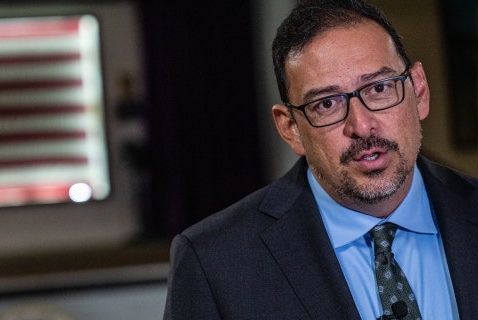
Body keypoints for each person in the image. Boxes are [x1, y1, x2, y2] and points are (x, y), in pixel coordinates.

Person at [164, 0, 478, 319]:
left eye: (380, 87)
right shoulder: (213, 263)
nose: (361, 125)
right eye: (326, 104)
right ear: (291, 129)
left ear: (419, 91)